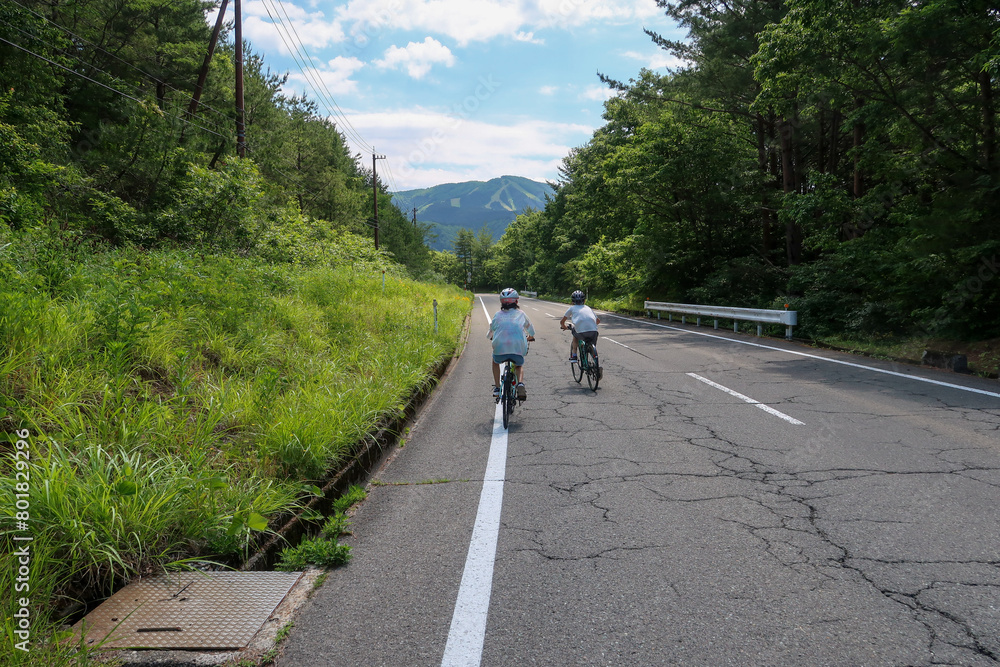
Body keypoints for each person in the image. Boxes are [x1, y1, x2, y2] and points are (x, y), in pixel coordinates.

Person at [489, 288, 535, 400]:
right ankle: (520, 384)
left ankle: (497, 388)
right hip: (517, 348)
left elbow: (491, 330)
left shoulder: (498, 315)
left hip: (500, 349)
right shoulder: (521, 314)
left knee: (495, 362)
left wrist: (490, 336)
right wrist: (531, 337)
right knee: (518, 365)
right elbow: (531, 330)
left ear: (501, 303)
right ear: (516, 302)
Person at [559, 289, 600, 362]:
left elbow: (562, 321)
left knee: (575, 336)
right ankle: (595, 364)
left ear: (572, 302)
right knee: (592, 348)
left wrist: (564, 326)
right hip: (594, 332)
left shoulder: (572, 308)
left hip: (581, 333)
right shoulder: (588, 308)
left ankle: (574, 356)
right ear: (584, 301)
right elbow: (598, 320)